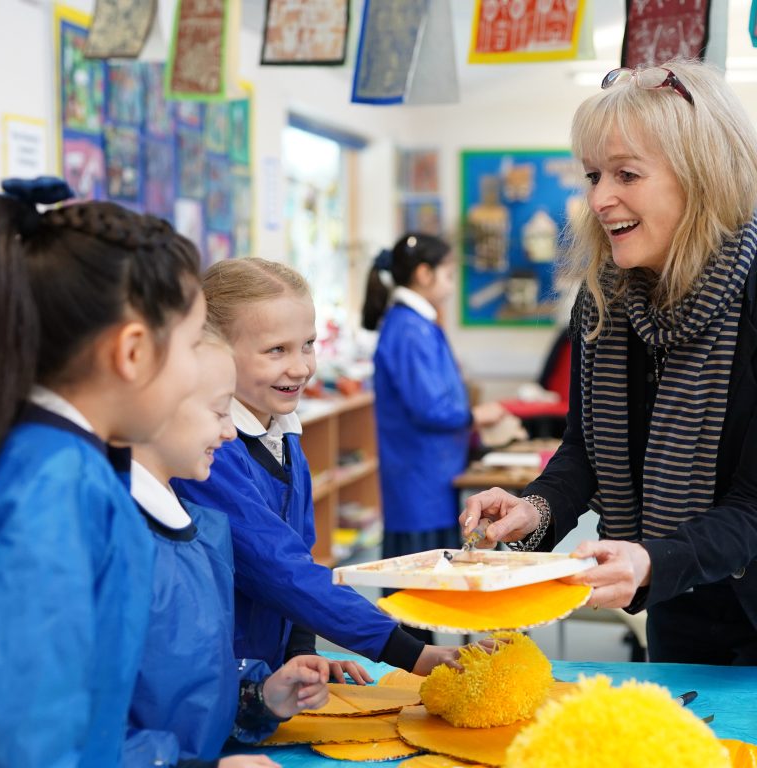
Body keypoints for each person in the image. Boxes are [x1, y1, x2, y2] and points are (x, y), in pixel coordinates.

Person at [460, 59, 757, 665]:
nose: (599, 198)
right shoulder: (605, 300)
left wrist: (653, 559)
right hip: (682, 606)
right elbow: (585, 450)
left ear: (702, 177)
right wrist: (534, 508)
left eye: (626, 174)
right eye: (593, 175)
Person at [0, 178, 206, 767]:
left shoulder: (71, 461)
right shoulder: (52, 483)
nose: (195, 378)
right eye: (192, 347)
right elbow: (26, 739)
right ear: (132, 352)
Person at [173, 258, 463, 678]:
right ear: (214, 349)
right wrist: (411, 653)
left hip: (267, 678)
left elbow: (302, 551)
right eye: (277, 350)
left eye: (307, 344)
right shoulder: (211, 452)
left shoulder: (285, 432)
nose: (302, 367)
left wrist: (301, 657)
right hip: (222, 680)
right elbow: (280, 569)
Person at [128, 331, 330, 768]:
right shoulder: (116, 540)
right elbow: (69, 729)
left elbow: (193, 681)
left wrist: (259, 696)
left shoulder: (200, 531)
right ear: (155, 408)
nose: (229, 431)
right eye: (220, 411)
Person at [361, 233, 506, 641]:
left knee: (435, 591)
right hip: (418, 480)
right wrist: (476, 414)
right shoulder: (409, 329)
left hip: (432, 474)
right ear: (423, 274)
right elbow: (429, 407)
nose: (451, 282)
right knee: (416, 602)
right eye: (446, 273)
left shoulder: (419, 324)